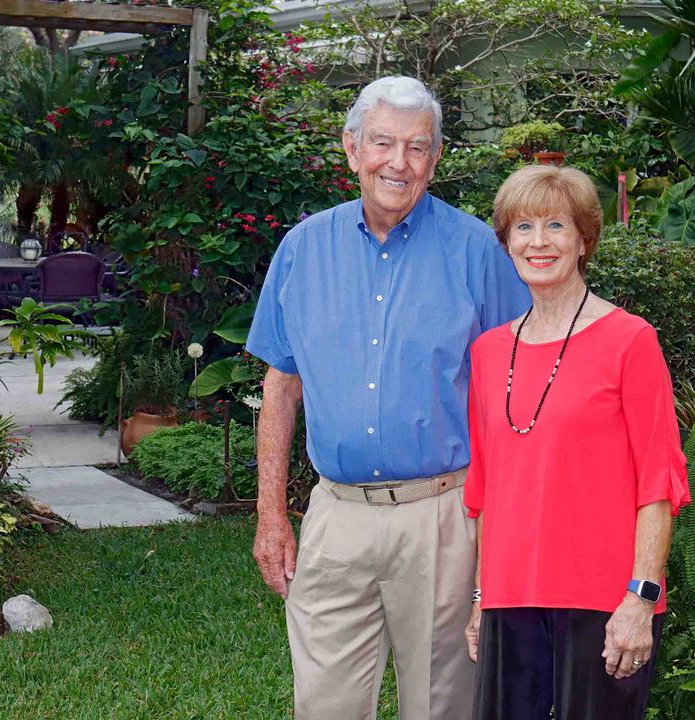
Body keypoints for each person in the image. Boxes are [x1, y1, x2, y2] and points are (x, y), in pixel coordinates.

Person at [246, 76, 529, 720]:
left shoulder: (477, 252)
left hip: (444, 516)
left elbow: (510, 401)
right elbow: (280, 386)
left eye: (417, 147)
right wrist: (271, 516)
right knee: (323, 706)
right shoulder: (302, 249)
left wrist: (501, 541)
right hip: (336, 518)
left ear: (435, 159)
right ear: (351, 150)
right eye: (382, 143)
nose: (397, 162)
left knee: (442, 706)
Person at [462, 164, 691, 720]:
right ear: (506, 241)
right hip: (510, 599)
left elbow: (659, 482)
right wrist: (479, 599)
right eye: (523, 228)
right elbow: (486, 489)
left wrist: (641, 598)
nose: (538, 242)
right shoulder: (489, 354)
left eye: (556, 225)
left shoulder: (630, 341)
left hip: (604, 601)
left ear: (584, 240)